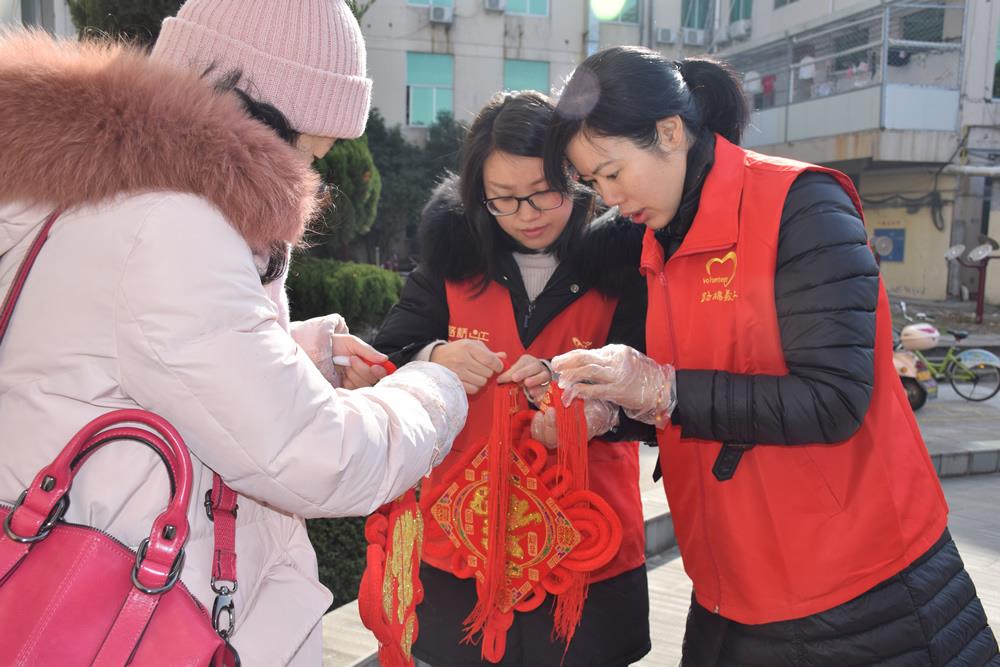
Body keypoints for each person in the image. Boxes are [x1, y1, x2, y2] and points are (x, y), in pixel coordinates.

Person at [0, 2, 467, 664]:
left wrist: (302, 353)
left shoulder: (88, 187)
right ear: (264, 115)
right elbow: (314, 455)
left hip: (77, 576)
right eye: (312, 150)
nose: (310, 176)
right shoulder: (169, 223)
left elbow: (120, 354)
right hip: (138, 614)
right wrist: (434, 388)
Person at [543, 46, 1000, 665]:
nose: (610, 197)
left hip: (857, 583)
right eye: (593, 184)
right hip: (732, 575)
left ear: (669, 132)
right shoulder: (658, 240)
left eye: (612, 172)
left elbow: (833, 399)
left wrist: (664, 392)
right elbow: (702, 386)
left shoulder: (802, 207)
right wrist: (613, 410)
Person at [373, 91, 651, 666]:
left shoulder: (626, 269)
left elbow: (655, 401)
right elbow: (386, 358)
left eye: (545, 193)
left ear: (578, 178)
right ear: (479, 197)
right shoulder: (449, 263)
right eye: (504, 199)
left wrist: (588, 415)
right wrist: (433, 355)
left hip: (584, 545)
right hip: (460, 541)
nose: (527, 214)